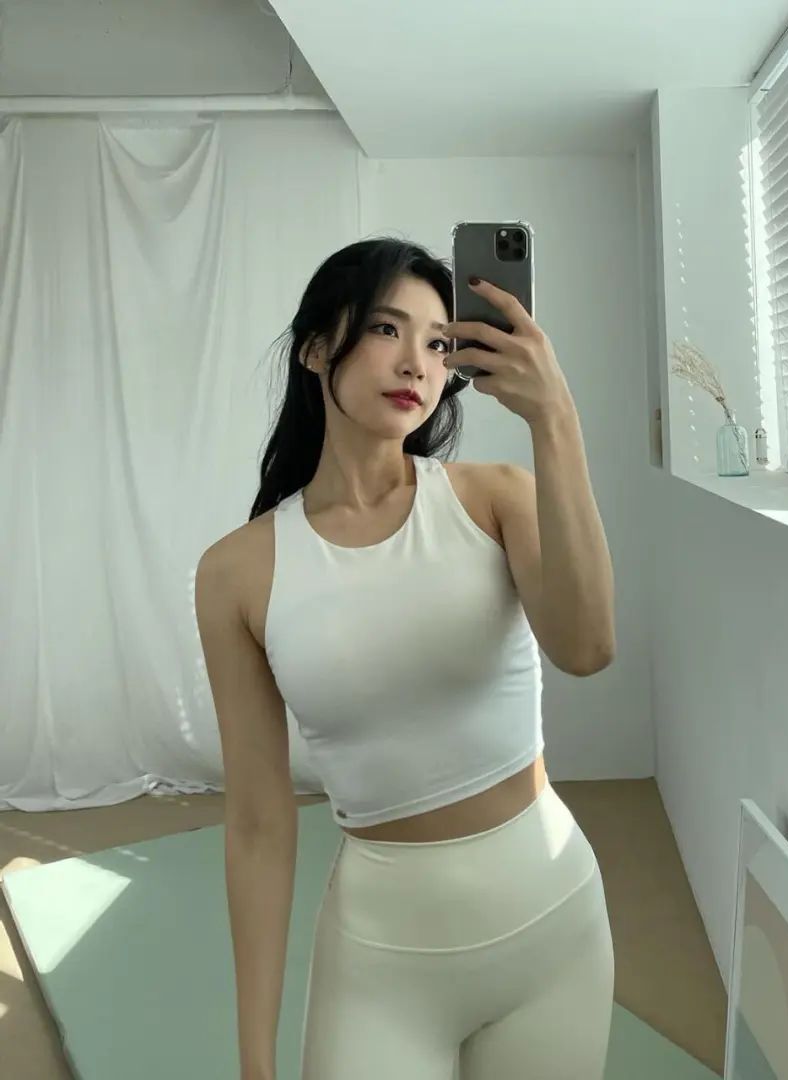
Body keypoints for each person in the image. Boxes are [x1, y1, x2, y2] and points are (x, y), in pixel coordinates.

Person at [194, 237, 617, 1080]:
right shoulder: (237, 572)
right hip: (381, 965)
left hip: (553, 930)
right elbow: (259, 825)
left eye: (436, 341)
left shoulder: (495, 499)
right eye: (387, 329)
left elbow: (588, 647)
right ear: (317, 348)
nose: (416, 363)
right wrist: (253, 1058)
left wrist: (554, 418)